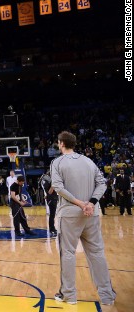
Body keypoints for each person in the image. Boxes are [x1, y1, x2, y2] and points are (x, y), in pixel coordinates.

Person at [51, 131, 116, 306]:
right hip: (92, 213)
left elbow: (57, 187)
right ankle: (107, 295)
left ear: (62, 144)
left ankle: (69, 295)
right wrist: (91, 203)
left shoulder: (57, 162)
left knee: (68, 254)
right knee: (97, 254)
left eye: (58, 143)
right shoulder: (89, 161)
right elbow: (102, 183)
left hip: (70, 214)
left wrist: (81, 204)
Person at [41, 171, 58, 236]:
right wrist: (54, 184)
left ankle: (52, 228)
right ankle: (52, 229)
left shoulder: (46, 181)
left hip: (51, 198)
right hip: (52, 199)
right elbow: (50, 191)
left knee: (52, 215)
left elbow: (47, 191)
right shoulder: (48, 181)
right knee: (52, 215)